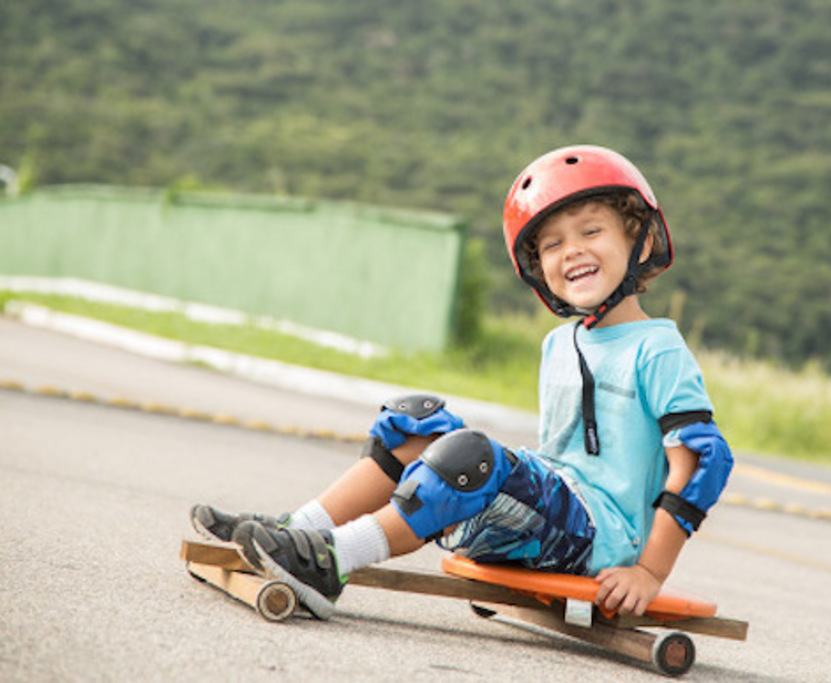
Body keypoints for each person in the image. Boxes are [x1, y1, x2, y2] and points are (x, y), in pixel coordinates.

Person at [190, 144, 733, 621]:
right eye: (551, 244)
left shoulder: (657, 347)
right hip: (552, 513)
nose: (572, 251)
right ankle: (294, 532)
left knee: (471, 455)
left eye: (592, 232)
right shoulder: (559, 343)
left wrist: (648, 573)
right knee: (413, 421)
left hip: (601, 539)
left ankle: (331, 560)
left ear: (638, 238)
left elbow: (702, 459)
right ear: (536, 266)